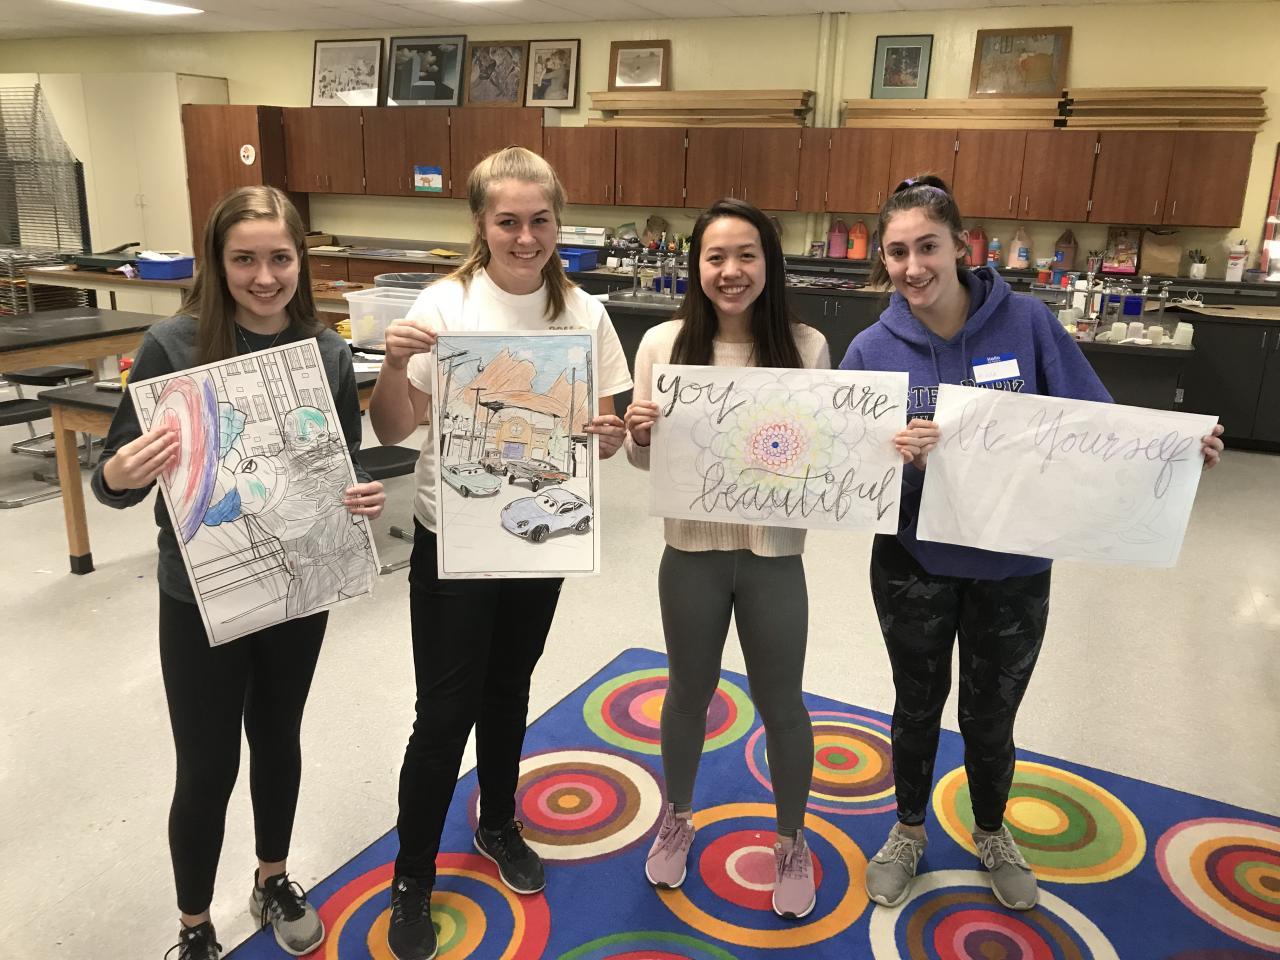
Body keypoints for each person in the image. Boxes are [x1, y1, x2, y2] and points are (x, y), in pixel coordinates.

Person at [840, 175, 1225, 912]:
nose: (913, 266)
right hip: (913, 562)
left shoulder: (1026, 324)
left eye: (928, 246)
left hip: (1013, 565)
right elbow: (848, 465)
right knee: (916, 705)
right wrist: (894, 458)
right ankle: (909, 829)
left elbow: (1096, 422)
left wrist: (1176, 448)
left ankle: (991, 831)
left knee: (992, 714)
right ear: (882, 259)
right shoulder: (870, 348)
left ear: (961, 246)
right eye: (897, 252)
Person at [91, 185, 385, 960]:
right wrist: (121, 471)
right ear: (217, 264)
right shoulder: (172, 347)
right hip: (201, 594)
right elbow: (112, 481)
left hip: (298, 582)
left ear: (300, 262)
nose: (264, 277)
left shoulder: (325, 351)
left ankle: (273, 877)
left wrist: (359, 493)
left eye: (279, 258)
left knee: (278, 737)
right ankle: (194, 923)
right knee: (208, 762)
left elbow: (339, 462)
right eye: (244, 259)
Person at [369, 146, 632, 960]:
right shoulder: (444, 306)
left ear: (559, 221)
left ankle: (498, 823)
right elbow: (392, 429)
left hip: (534, 542)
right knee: (444, 710)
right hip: (454, 541)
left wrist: (609, 434)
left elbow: (606, 436)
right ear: (480, 225)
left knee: (509, 689)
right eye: (508, 221)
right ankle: (413, 874)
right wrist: (394, 361)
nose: (526, 237)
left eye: (540, 220)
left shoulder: (584, 313)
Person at [623, 198, 830, 921]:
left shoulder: (806, 347)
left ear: (770, 264)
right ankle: (677, 816)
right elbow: (645, 465)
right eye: (715, 257)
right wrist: (639, 435)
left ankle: (791, 839)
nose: (731, 271)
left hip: (774, 554)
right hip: (691, 552)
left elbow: (822, 461)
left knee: (783, 703)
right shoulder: (662, 344)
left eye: (747, 255)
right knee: (686, 693)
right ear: (696, 266)